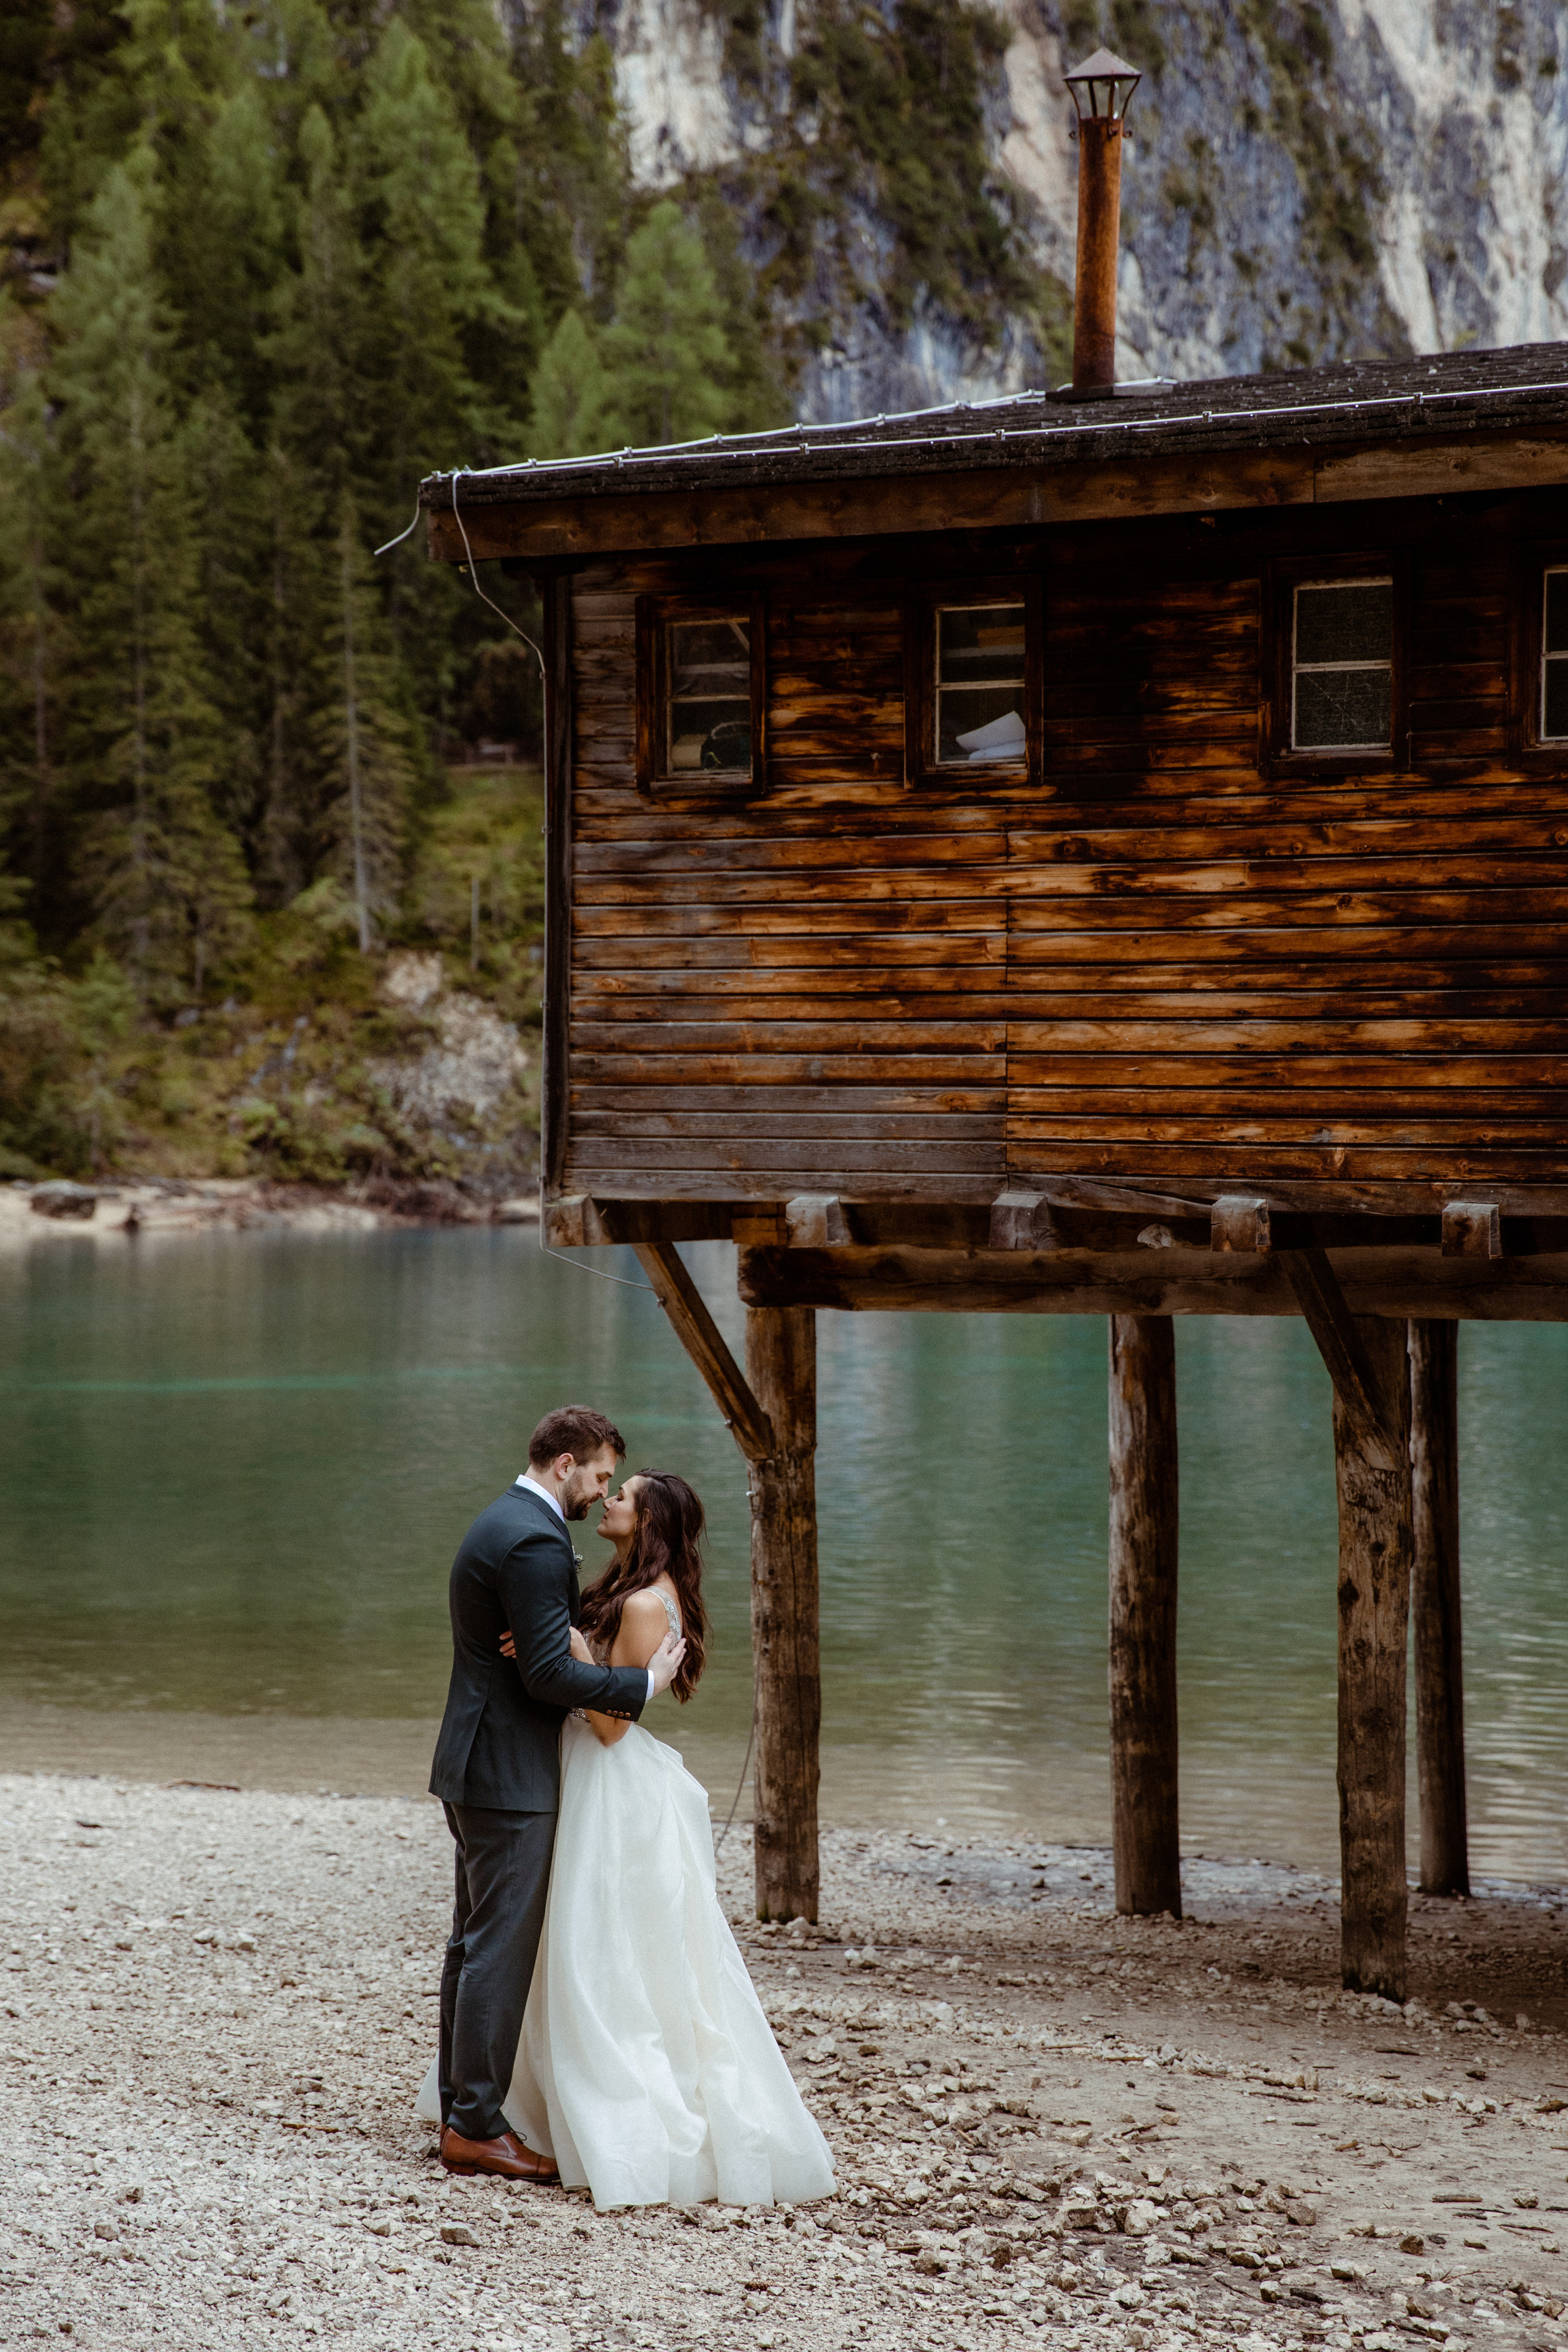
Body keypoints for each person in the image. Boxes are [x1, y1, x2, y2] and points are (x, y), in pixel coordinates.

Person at [499, 1466, 834, 2210]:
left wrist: (561, 1651)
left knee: (596, 1948)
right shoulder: (631, 1589)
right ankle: (543, 2105)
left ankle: (613, 2118)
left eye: (624, 1496)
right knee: (577, 1940)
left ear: (646, 1521)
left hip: (608, 1784)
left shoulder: (648, 1605)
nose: (609, 1499)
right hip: (586, 1772)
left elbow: (615, 1726)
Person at [424, 1405, 687, 2183]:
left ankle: (462, 2110)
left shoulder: (501, 1521)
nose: (601, 1491)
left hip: (477, 1763)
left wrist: (557, 1637)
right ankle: (473, 2124)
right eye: (601, 1475)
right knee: (496, 1950)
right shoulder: (538, 1540)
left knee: (473, 1946)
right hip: (507, 1773)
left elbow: (534, 1656)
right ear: (567, 1462)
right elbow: (545, 1677)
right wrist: (641, 1681)